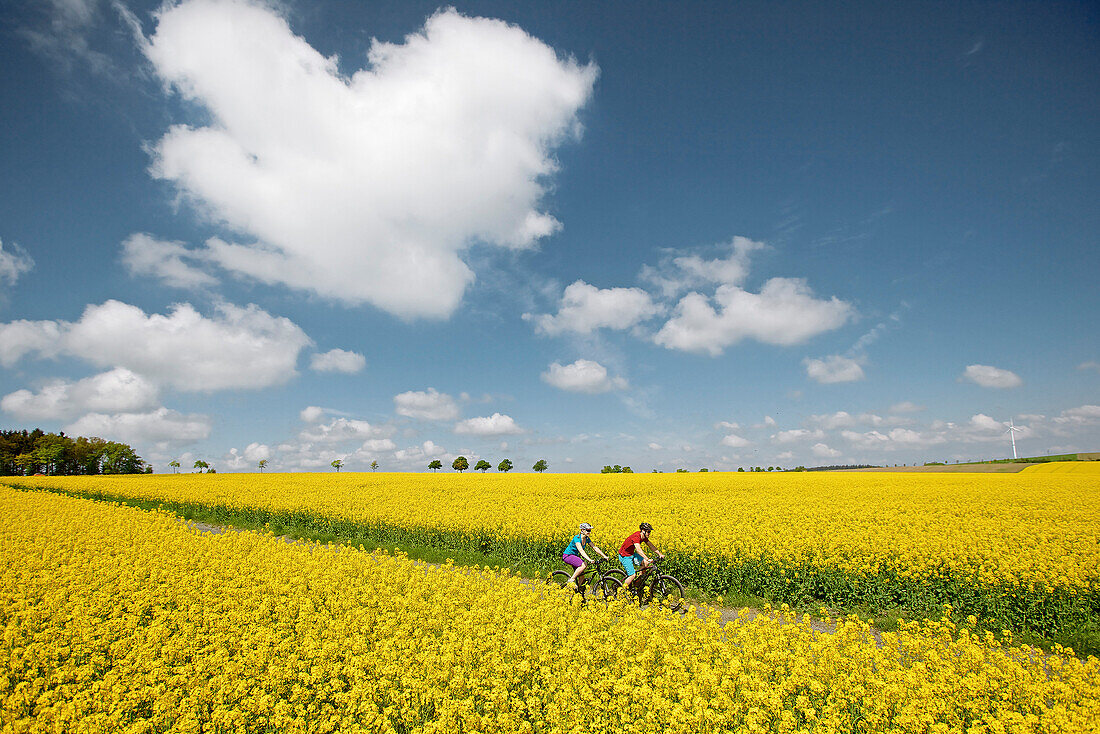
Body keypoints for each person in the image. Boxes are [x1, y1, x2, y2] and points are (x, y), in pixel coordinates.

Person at [618, 522, 664, 594]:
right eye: (648, 532)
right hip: (624, 556)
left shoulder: (644, 537)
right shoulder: (636, 536)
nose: (649, 533)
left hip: (631, 554)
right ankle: (621, 592)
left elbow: (651, 546)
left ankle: (637, 584)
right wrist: (647, 559)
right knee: (632, 575)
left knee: (645, 563)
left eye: (650, 532)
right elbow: (638, 550)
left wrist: (660, 554)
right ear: (643, 531)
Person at [563, 522, 609, 588]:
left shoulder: (587, 538)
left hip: (574, 556)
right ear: (582, 530)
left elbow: (595, 547)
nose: (589, 532)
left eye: (590, 530)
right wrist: (589, 559)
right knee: (584, 564)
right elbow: (581, 551)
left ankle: (577, 592)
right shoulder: (577, 538)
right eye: (588, 530)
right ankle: (571, 580)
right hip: (568, 556)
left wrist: (604, 556)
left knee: (581, 577)